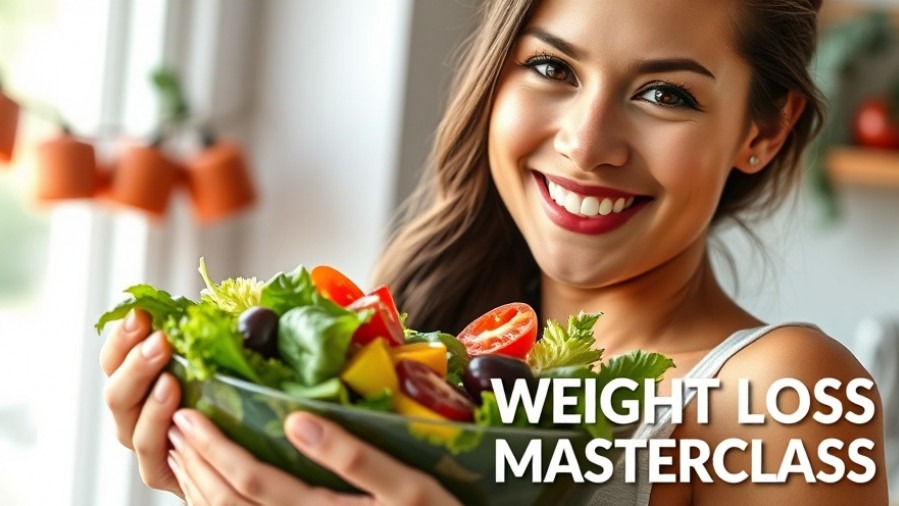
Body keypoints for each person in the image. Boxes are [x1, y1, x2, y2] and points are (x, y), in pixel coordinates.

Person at [100, 0, 890, 504]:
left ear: (763, 130)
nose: (586, 145)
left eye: (665, 94)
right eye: (551, 67)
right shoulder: (415, 343)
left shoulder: (783, 397)